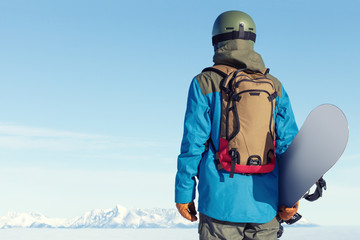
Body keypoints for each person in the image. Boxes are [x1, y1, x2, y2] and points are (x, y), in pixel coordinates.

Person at [175, 10, 299, 240]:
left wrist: (183, 192)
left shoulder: (205, 82)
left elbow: (193, 143)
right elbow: (289, 145)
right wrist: (291, 196)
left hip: (219, 203)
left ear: (216, 41)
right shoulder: (274, 86)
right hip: (266, 205)